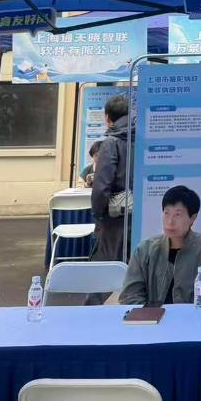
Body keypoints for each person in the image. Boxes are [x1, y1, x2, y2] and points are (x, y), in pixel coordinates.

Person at [120, 185, 201, 305]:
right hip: (152, 316)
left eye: (177, 215)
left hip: (193, 316)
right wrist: (149, 313)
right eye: (166, 213)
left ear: (192, 218)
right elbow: (130, 296)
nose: (170, 222)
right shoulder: (144, 250)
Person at [86, 94, 131, 304]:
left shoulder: (111, 143)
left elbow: (102, 185)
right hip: (141, 214)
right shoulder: (143, 138)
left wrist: (98, 214)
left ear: (107, 118)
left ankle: (90, 314)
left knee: (104, 270)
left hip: (115, 219)